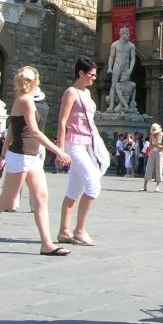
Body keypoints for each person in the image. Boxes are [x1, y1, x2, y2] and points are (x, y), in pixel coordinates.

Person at [0, 66, 72, 255]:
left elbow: (12, 130)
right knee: (7, 200)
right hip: (21, 156)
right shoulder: (25, 100)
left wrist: (3, 156)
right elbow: (34, 131)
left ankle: (46, 244)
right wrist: (58, 151)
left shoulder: (25, 99)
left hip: (31, 156)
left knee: (41, 197)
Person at [56, 57, 104, 246]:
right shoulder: (71, 92)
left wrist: (99, 143)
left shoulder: (87, 93)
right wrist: (60, 150)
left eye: (95, 75)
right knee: (93, 185)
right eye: (91, 75)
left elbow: (90, 122)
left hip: (86, 143)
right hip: (73, 143)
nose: (94, 78)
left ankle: (63, 232)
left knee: (74, 190)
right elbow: (62, 122)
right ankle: (80, 230)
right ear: (81, 73)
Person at [106, 26, 136, 112]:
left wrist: (130, 69)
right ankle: (111, 104)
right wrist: (109, 67)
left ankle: (124, 104)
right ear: (122, 34)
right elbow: (111, 56)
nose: (129, 35)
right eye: (127, 34)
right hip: (117, 65)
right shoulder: (115, 44)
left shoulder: (131, 45)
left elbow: (133, 58)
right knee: (113, 84)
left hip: (126, 65)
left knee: (126, 84)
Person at [141, 123, 163, 192]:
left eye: (155, 131)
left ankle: (157, 186)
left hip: (159, 153)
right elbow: (150, 145)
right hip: (152, 152)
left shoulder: (162, 136)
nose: (154, 133)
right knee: (148, 168)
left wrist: (157, 145)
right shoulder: (151, 135)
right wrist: (153, 145)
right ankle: (144, 186)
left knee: (159, 169)